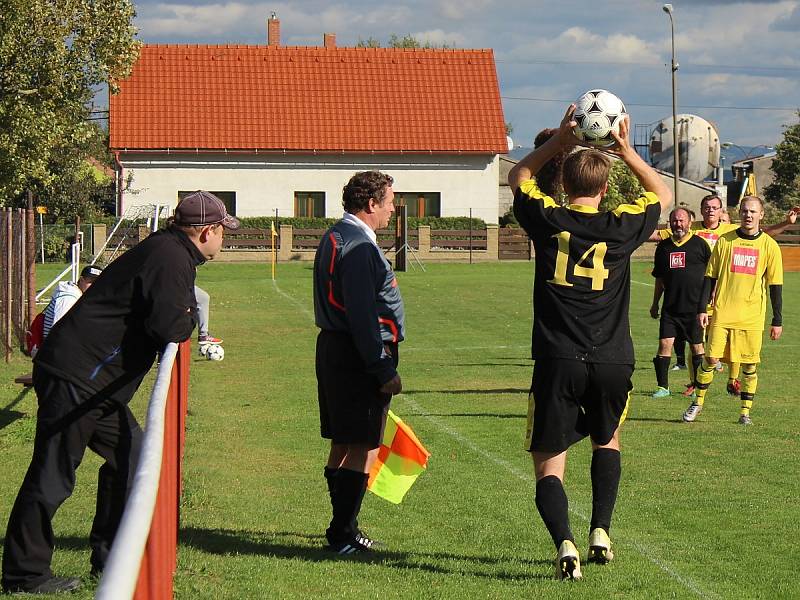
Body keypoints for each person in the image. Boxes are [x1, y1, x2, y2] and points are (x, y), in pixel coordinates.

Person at [1, 190, 239, 594]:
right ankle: (24, 574)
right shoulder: (171, 257)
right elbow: (170, 325)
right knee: (52, 475)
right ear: (206, 231)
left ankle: (110, 560)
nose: (224, 239)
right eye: (222, 231)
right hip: (78, 378)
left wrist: (183, 315)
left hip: (94, 382)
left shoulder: (171, 251)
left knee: (129, 463)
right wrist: (185, 320)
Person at [509, 106, 671, 579]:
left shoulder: (548, 217)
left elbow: (520, 174)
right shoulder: (622, 225)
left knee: (548, 465)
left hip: (558, 357)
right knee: (608, 439)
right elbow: (660, 191)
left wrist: (559, 142)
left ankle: (565, 543)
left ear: (563, 185)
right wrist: (625, 149)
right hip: (612, 359)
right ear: (604, 189)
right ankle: (601, 528)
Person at [313, 171, 404, 555]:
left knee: (344, 441)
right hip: (357, 354)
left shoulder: (335, 234)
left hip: (337, 350)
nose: (392, 209)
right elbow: (363, 314)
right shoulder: (360, 248)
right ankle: (342, 534)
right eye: (390, 202)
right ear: (371, 204)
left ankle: (344, 527)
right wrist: (381, 367)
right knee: (363, 444)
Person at [683, 196, 784, 425]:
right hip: (723, 312)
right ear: (739, 213)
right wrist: (702, 309)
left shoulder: (770, 246)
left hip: (752, 317)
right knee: (710, 358)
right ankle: (697, 403)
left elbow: (775, 285)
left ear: (761, 215)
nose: (748, 215)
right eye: (745, 211)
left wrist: (777, 319)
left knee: (750, 365)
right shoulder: (725, 241)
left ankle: (745, 413)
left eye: (753, 212)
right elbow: (710, 277)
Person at [649, 207, 712, 398]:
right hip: (670, 308)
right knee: (664, 344)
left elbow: (711, 275)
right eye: (675, 220)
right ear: (670, 222)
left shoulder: (700, 245)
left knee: (696, 347)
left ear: (690, 222)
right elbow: (659, 279)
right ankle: (663, 387)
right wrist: (655, 303)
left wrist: (711, 297)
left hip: (694, 308)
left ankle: (697, 386)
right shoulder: (664, 247)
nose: (678, 224)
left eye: (682, 220)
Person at [42, 265, 104, 339]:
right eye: (91, 282)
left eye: (98, 283)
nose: (94, 286)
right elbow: (59, 329)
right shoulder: (68, 298)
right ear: (81, 280)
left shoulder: (80, 295)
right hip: (58, 345)